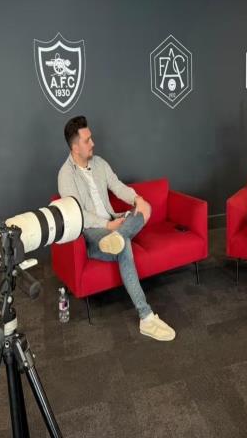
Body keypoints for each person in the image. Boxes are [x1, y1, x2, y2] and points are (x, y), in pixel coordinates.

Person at [58, 116, 175, 341]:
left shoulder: (99, 164)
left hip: (114, 224)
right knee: (125, 245)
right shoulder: (66, 175)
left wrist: (137, 199)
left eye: (91, 138)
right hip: (93, 232)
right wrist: (107, 225)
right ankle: (146, 317)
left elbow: (118, 187)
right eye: (87, 140)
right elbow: (78, 214)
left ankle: (119, 237)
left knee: (145, 208)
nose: (93, 143)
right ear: (75, 147)